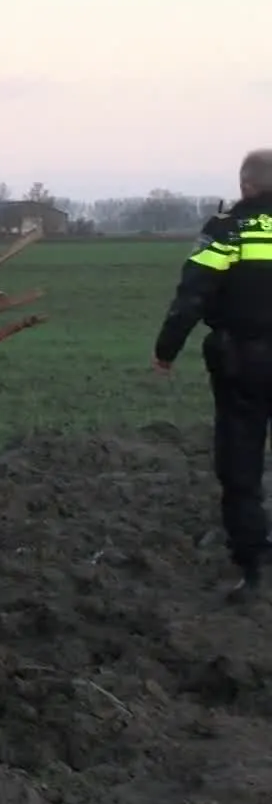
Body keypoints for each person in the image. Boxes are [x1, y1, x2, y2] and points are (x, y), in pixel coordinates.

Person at [152, 149, 272, 602]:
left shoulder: (228, 229)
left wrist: (167, 349)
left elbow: (193, 294)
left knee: (240, 461)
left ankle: (254, 568)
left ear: (245, 185)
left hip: (241, 360)